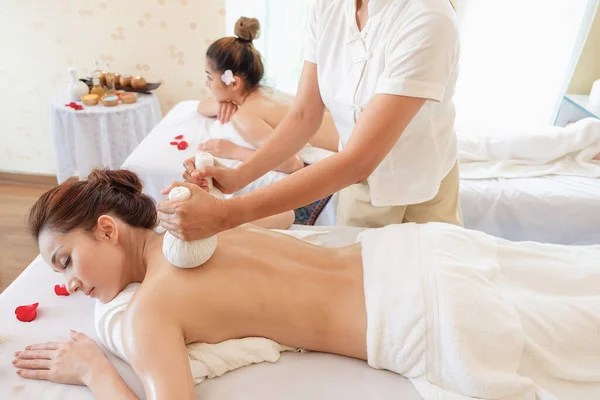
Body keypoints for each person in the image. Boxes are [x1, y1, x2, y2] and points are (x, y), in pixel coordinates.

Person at [14, 170, 600, 399]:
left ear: (109, 229)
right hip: (421, 253)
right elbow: (281, 217)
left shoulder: (150, 313)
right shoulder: (198, 215)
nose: (68, 284)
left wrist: (94, 369)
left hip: (425, 313)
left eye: (64, 261)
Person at [157, 0, 463, 241]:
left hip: (421, 187)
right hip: (357, 185)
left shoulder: (428, 18)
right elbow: (304, 115)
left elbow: (358, 161)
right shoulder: (329, 7)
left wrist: (227, 214)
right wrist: (238, 178)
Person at [197, 17, 339, 175]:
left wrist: (233, 151)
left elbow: (291, 164)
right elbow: (201, 106)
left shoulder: (243, 116)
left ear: (234, 83)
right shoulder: (265, 91)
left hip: (349, 146)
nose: (207, 84)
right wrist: (219, 104)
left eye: (209, 77)